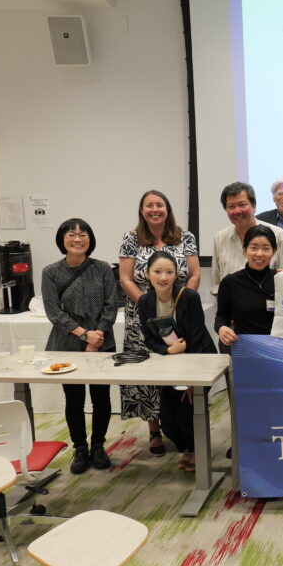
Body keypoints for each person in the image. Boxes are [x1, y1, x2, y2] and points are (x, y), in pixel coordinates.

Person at [118, 190, 200, 456]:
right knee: (146, 375)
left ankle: (183, 428)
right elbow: (126, 278)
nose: (155, 209)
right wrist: (150, 305)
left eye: (159, 205)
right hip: (142, 317)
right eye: (149, 205)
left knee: (178, 368)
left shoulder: (185, 236)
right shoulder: (131, 238)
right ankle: (154, 431)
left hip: (179, 314)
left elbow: (195, 274)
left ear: (168, 208)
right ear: (141, 210)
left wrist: (177, 303)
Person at [42, 218, 117, 474]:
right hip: (67, 344)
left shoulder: (103, 268)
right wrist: (85, 336)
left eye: (83, 234)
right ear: (62, 240)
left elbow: (111, 306)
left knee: (101, 397)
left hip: (102, 341)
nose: (77, 239)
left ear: (90, 238)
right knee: (74, 400)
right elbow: (54, 313)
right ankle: (80, 449)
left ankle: (98, 446)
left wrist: (98, 338)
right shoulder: (51, 272)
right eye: (71, 234)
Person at [138, 251, 216, 473]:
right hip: (170, 365)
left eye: (169, 272)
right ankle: (185, 446)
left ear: (176, 275)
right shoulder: (145, 301)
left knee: (187, 412)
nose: (163, 277)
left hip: (199, 363)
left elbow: (198, 336)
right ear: (148, 274)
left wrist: (193, 381)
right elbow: (149, 337)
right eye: (157, 272)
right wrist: (168, 349)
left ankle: (193, 450)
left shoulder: (189, 297)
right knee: (168, 420)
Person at [211, 182, 283, 294]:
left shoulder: (278, 235)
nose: (237, 211)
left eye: (242, 205)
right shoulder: (220, 238)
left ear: (254, 207)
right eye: (231, 207)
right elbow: (216, 284)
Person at [215, 225, 279, 352]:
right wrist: (221, 328)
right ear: (245, 250)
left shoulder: (282, 280)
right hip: (245, 350)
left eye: (266, 248)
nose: (259, 254)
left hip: (277, 349)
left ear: (274, 251)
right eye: (253, 248)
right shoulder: (230, 282)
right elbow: (221, 316)